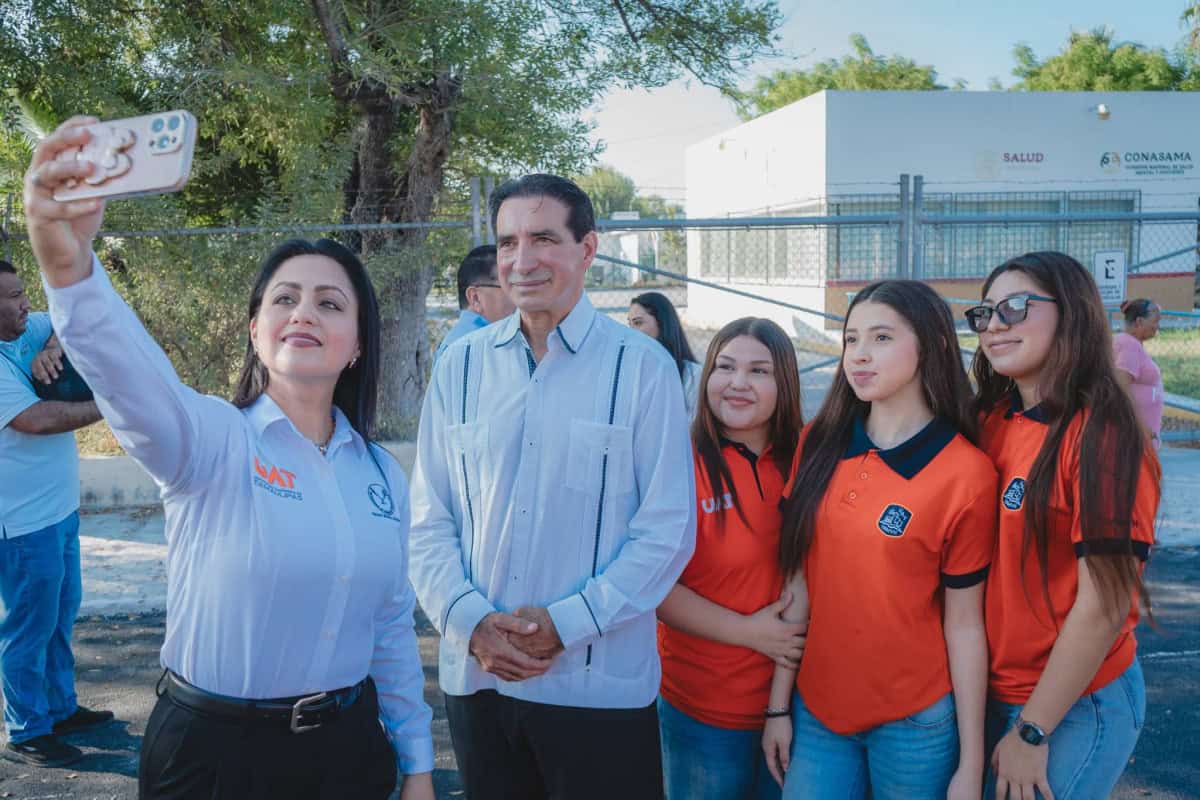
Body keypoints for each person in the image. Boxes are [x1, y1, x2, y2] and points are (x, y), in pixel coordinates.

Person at [24, 116, 433, 799]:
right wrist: (70, 268)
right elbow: (132, 378)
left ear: (358, 343)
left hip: (349, 753)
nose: (304, 312)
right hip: (213, 759)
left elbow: (389, 626)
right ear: (255, 330)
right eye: (285, 299)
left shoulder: (381, 474)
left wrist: (416, 763)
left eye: (330, 303)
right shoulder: (210, 440)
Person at [409, 173, 696, 800]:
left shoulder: (642, 369)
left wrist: (568, 623)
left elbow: (667, 531)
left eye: (543, 238)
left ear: (586, 249)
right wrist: (471, 622)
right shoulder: (459, 366)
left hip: (598, 689)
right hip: (480, 681)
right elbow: (429, 520)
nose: (523, 260)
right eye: (508, 242)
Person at [764, 280, 997, 800]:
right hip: (819, 712)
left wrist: (971, 762)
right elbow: (797, 587)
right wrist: (778, 707)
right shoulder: (818, 441)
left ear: (932, 345)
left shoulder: (968, 473)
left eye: (882, 338)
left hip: (915, 722)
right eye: (851, 339)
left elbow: (964, 624)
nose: (859, 355)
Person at [965, 252, 1160, 800]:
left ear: (1072, 312)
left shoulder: (1103, 436)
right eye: (985, 313)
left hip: (1072, 703)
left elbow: (1103, 607)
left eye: (1015, 306)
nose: (994, 324)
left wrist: (1033, 730)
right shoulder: (988, 420)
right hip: (992, 691)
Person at [656, 317, 805, 800]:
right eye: (725, 367)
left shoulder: (808, 458)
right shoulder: (676, 460)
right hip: (705, 709)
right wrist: (748, 632)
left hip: (800, 707)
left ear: (785, 384)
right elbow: (652, 586)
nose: (738, 382)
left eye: (759, 371)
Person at [0, 258, 112, 767]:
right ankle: (27, 730)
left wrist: (52, 346)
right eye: (12, 297)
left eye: (23, 292)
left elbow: (78, 317)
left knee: (60, 615)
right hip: (22, 525)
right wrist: (111, 405)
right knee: (28, 627)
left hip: (60, 511)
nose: (26, 303)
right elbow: (37, 419)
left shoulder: (30, 329)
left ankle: (59, 708)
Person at [433, 244, 515, 363]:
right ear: (475, 298)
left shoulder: (459, 343)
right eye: (510, 286)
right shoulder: (472, 349)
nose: (519, 296)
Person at [628, 291, 702, 416]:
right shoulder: (631, 372)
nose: (630, 332)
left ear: (662, 323)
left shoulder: (693, 375)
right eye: (629, 324)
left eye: (638, 323)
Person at [1114, 298, 1164, 447]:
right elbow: (1121, 390)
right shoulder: (1128, 346)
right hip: (1135, 438)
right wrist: (1142, 428)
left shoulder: (1131, 344)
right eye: (1155, 321)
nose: (1158, 326)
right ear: (1139, 322)